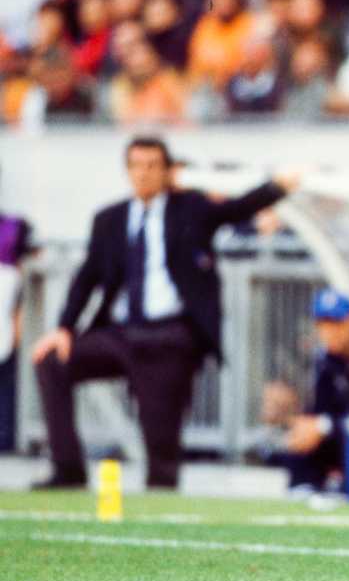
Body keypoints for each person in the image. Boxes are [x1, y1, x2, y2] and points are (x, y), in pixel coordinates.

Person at [31, 136, 299, 489]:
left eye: (152, 166)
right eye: (136, 166)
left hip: (169, 335)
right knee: (52, 361)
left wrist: (279, 186)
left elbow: (237, 208)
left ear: (167, 171)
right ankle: (67, 469)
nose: (143, 174)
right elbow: (88, 277)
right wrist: (64, 327)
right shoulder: (109, 219)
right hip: (121, 332)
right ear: (127, 171)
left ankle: (161, 490)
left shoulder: (191, 209)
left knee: (161, 443)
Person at [280, 288, 349, 493]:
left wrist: (323, 426)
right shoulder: (324, 360)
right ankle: (302, 491)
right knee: (304, 431)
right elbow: (319, 410)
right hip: (342, 433)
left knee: (321, 429)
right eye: (323, 324)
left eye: (337, 323)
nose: (329, 332)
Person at [0, 212, 32, 452]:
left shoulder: (15, 225)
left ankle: (6, 437)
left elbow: (23, 265)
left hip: (6, 298)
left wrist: (18, 320)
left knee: (7, 378)